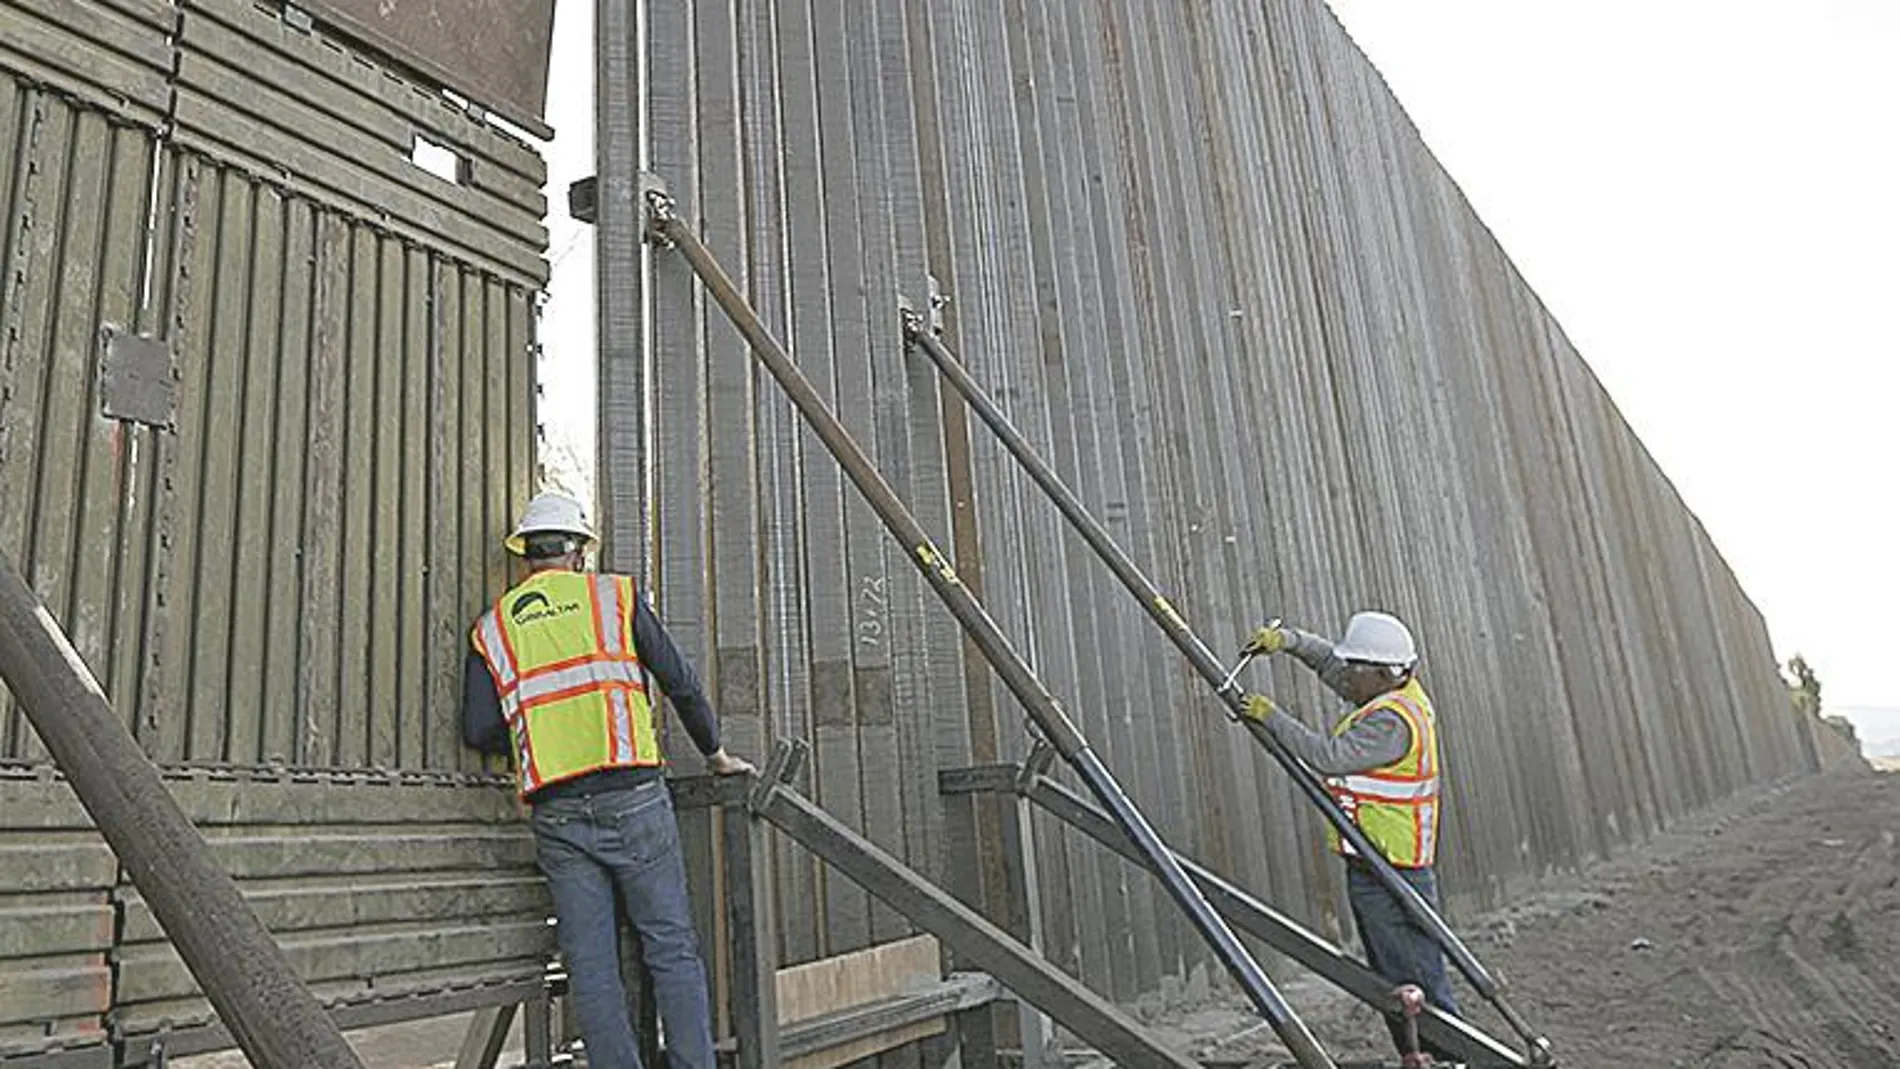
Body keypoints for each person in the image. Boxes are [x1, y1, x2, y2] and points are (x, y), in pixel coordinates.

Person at [465, 491, 753, 1069]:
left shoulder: (494, 629)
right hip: (634, 798)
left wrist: (537, 731)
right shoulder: (613, 597)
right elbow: (680, 681)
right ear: (578, 552)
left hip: (558, 810)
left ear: (526, 557)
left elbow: (478, 728)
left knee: (591, 966)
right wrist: (716, 753)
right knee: (669, 945)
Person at [1241, 610, 1460, 1063]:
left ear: (1381, 673)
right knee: (1394, 972)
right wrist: (1288, 640)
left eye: (1355, 670)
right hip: (1376, 861)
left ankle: (1450, 1056)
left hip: (1392, 868)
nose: (1345, 678)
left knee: (1410, 976)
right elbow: (1331, 665)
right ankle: (1425, 1056)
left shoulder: (1392, 722)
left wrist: (1271, 716)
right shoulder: (1388, 692)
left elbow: (1329, 756)